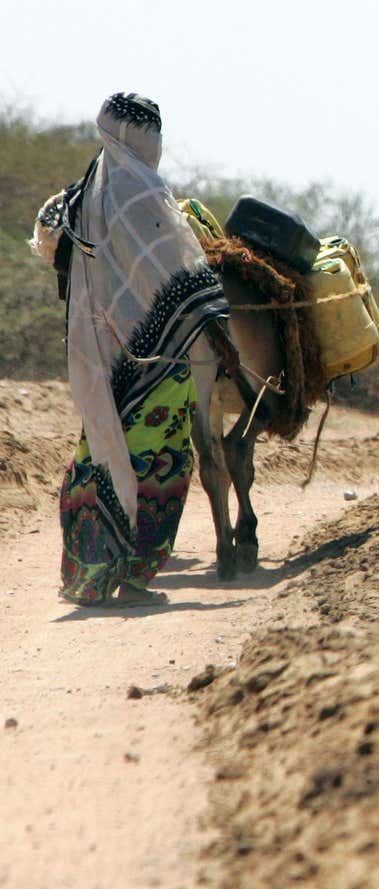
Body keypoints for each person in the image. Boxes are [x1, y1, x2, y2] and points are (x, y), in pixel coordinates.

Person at [34, 93, 229, 606]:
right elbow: (180, 268)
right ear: (146, 138)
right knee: (161, 460)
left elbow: (49, 243)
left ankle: (88, 576)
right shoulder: (142, 191)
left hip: (99, 356)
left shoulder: (79, 194)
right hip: (155, 361)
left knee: (99, 452)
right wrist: (214, 312)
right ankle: (136, 580)